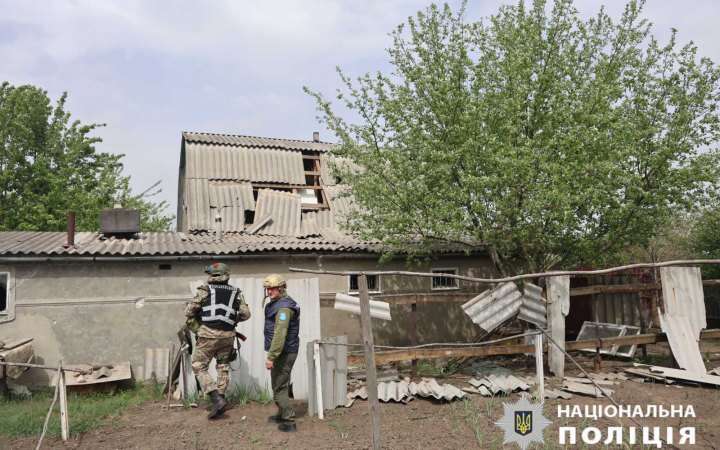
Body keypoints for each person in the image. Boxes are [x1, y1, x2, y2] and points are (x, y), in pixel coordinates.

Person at [185, 262, 250, 419]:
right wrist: (231, 319)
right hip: (227, 336)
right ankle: (221, 398)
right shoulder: (236, 292)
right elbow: (246, 314)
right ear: (226, 275)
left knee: (198, 365)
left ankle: (215, 398)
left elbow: (189, 311)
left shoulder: (205, 290)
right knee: (223, 366)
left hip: (208, 335)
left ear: (211, 276)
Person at [263, 274, 300, 432]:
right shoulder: (277, 304)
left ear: (281, 288)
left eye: (272, 288)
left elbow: (280, 334)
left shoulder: (284, 308)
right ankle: (282, 413)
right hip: (282, 351)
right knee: (279, 384)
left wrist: (271, 356)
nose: (269, 291)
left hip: (284, 352)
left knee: (279, 386)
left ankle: (289, 420)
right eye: (267, 288)